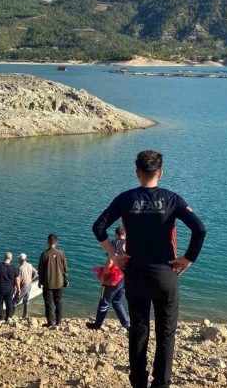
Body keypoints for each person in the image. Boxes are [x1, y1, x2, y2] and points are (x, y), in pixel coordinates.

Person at [92, 150, 207, 388]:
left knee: (139, 330)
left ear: (138, 173)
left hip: (135, 274)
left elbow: (98, 227)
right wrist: (188, 259)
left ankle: (138, 383)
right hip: (166, 273)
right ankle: (161, 384)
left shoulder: (125, 198)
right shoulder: (172, 199)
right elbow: (200, 229)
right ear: (160, 173)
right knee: (166, 334)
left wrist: (114, 255)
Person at [87, 226, 130, 330]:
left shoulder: (114, 243)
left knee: (104, 301)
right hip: (125, 277)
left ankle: (97, 325)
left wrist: (103, 276)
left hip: (114, 277)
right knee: (117, 302)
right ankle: (127, 324)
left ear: (116, 234)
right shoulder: (129, 244)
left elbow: (110, 261)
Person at [38, 234, 68, 327]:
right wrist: (65, 279)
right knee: (58, 302)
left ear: (47, 242)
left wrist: (40, 281)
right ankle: (58, 321)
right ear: (56, 242)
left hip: (47, 283)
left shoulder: (44, 254)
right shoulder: (61, 253)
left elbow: (40, 270)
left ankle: (50, 322)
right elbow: (65, 268)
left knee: (48, 304)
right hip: (59, 282)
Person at [0, 252, 20, 321]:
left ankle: (0, 317)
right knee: (9, 303)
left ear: (4, 257)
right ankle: (8, 317)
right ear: (11, 259)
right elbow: (17, 279)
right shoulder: (14, 268)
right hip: (9, 289)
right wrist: (18, 289)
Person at [13, 253, 38, 318]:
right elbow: (35, 272)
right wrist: (31, 279)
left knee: (15, 301)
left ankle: (12, 315)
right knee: (26, 299)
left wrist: (16, 289)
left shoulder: (20, 268)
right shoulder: (30, 265)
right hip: (29, 284)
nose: (18, 260)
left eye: (19, 259)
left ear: (21, 260)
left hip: (24, 286)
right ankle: (25, 315)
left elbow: (18, 280)